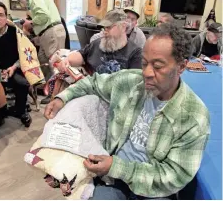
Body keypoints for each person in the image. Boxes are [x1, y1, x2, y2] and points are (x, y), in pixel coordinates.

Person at [44, 23, 210, 199]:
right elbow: (92, 82)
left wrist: (118, 167)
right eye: (144, 63)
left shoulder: (194, 118)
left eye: (158, 66)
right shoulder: (131, 82)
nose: (146, 73)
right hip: (112, 179)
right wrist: (61, 98)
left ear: (181, 67)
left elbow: (173, 177)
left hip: (153, 191)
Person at [0, 1, 40, 127]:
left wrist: (13, 67)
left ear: (6, 17)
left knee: (23, 83)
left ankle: (21, 110)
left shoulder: (15, 32)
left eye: (1, 15)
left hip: (13, 68)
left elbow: (25, 53)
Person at [17, 0, 66, 104]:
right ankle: (48, 88)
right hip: (48, 32)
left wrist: (30, 22)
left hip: (51, 31)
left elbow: (44, 16)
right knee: (43, 61)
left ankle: (56, 95)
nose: (20, 2)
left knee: (55, 64)